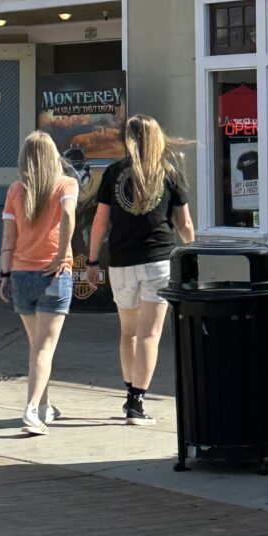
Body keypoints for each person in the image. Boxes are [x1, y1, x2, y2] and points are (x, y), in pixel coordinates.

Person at [84, 115, 193, 426]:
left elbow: (100, 222)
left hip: (121, 263)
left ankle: (130, 394)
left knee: (128, 333)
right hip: (158, 261)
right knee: (149, 335)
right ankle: (137, 403)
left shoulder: (114, 172)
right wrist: (192, 256)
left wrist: (92, 261)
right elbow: (184, 224)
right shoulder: (169, 172)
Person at [0, 130, 78, 436]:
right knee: (44, 348)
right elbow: (69, 216)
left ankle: (44, 407)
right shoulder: (65, 184)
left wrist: (5, 275)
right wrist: (61, 255)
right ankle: (32, 410)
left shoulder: (16, 190)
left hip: (21, 273)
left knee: (37, 347)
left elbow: (8, 237)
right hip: (54, 275)